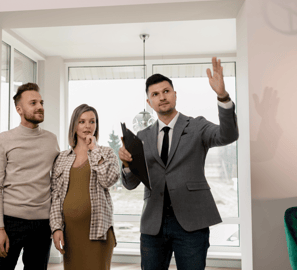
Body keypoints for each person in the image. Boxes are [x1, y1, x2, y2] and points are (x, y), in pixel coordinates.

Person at [119, 57, 239, 270]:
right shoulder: (142, 137)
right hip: (153, 224)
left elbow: (227, 135)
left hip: (192, 223)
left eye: (166, 91)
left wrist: (223, 97)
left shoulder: (197, 126)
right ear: (149, 102)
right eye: (155, 94)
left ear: (174, 94)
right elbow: (130, 184)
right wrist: (126, 164)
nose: (161, 97)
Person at [0, 83, 60, 270]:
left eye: (41, 102)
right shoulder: (4, 140)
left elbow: (57, 182)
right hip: (11, 223)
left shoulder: (51, 140)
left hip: (43, 225)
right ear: (19, 109)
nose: (40, 107)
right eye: (33, 103)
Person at [50, 104, 120, 270]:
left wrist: (94, 149)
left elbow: (108, 180)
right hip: (71, 233)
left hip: (98, 232)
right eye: (82, 121)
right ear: (74, 126)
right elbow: (56, 197)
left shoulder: (106, 153)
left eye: (92, 121)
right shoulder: (61, 158)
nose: (88, 126)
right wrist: (56, 228)